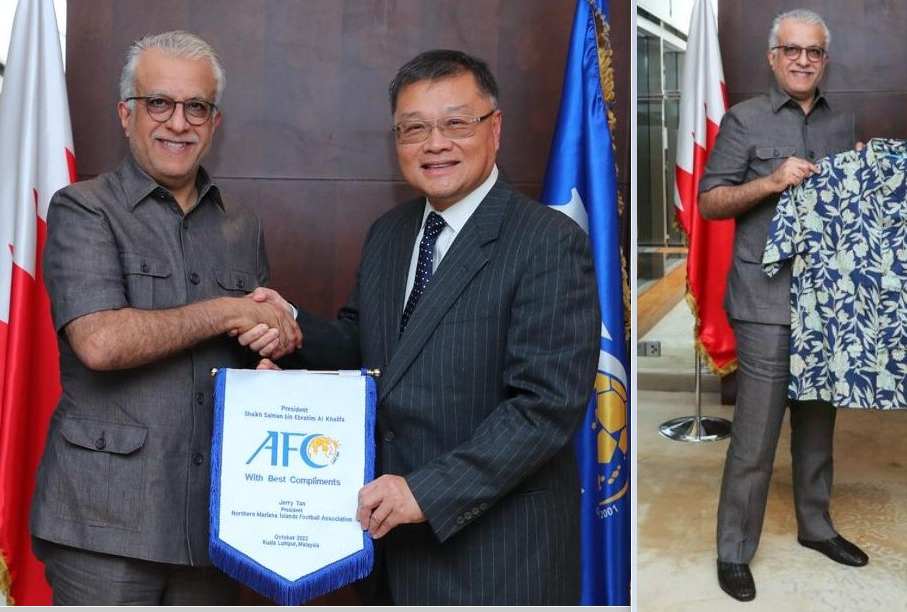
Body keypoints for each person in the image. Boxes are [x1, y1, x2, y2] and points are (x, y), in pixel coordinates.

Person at [244, 49, 601, 605]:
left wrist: (427, 492)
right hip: (389, 551)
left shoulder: (548, 242)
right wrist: (290, 330)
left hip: (496, 556)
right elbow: (370, 348)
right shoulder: (389, 233)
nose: (435, 143)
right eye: (414, 129)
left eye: (456, 123)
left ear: (495, 128)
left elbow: (546, 406)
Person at [30, 31, 301, 605]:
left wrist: (276, 341)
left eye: (196, 107)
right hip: (105, 528)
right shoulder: (82, 208)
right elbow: (100, 342)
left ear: (214, 121)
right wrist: (227, 310)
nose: (178, 122)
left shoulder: (241, 225)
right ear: (126, 114)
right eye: (160, 103)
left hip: (216, 525)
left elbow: (252, 351)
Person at [697, 9, 867, 603]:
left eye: (814, 52)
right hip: (764, 300)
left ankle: (816, 528)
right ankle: (733, 549)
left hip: (827, 305)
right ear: (773, 57)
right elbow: (712, 201)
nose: (802, 60)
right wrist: (770, 182)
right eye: (791, 50)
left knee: (819, 426)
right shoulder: (743, 120)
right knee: (756, 434)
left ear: (825, 60)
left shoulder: (844, 123)